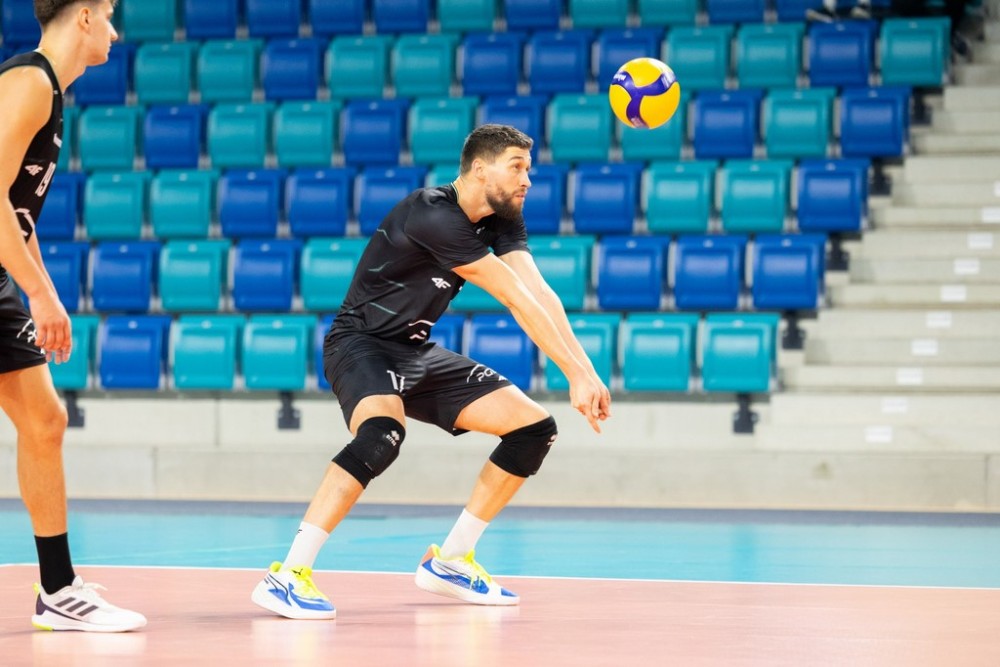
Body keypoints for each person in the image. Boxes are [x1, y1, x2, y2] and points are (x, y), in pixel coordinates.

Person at [252, 124, 611, 619]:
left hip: (413, 351)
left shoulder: (501, 219)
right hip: (360, 343)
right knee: (382, 435)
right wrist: (573, 373)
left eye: (528, 168)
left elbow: (537, 292)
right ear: (479, 169)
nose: (528, 179)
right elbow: (512, 297)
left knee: (532, 428)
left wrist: (586, 369)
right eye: (517, 167)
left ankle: (452, 562)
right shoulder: (433, 213)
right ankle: (288, 574)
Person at [0, 0, 145, 632]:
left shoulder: (50, 92)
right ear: (83, 16)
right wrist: (36, 293)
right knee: (44, 420)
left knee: (44, 419)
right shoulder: (30, 81)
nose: (113, 30)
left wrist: (48, 292)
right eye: (108, 15)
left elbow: (15, 213)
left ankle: (58, 590)